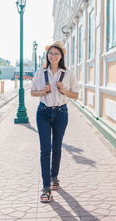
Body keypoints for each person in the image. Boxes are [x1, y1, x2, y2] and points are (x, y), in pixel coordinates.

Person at [31, 41, 79, 203]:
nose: (53, 56)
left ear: (61, 56)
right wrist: (42, 91)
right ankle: (46, 188)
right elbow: (32, 92)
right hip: (43, 112)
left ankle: (54, 178)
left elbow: (76, 95)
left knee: (56, 147)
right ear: (47, 55)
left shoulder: (68, 73)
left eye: (56, 54)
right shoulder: (40, 72)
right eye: (50, 53)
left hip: (61, 113)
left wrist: (63, 90)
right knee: (45, 149)